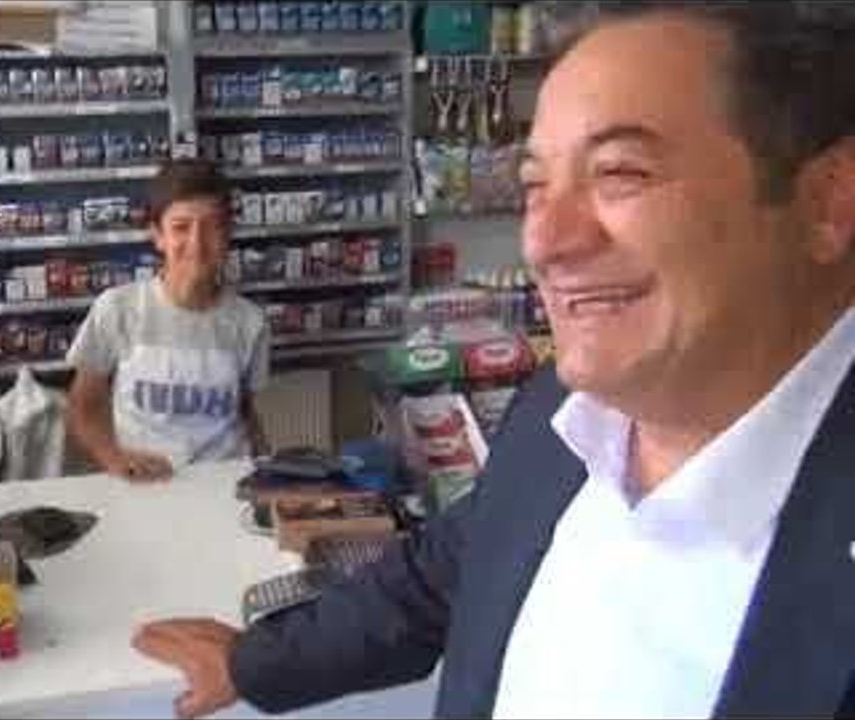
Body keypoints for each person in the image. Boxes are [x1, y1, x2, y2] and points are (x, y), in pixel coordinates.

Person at [133, 2, 855, 717]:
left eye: (620, 172)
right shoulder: (561, 413)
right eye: (536, 185)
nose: (544, 242)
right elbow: (441, 574)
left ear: (828, 202)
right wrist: (258, 661)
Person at [66, 159, 269, 481]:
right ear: (158, 235)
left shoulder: (250, 322)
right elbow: (83, 406)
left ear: (228, 234)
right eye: (181, 227)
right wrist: (114, 458)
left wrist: (268, 474)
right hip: (144, 484)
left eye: (212, 226)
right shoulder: (117, 309)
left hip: (225, 485)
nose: (197, 243)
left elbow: (246, 414)